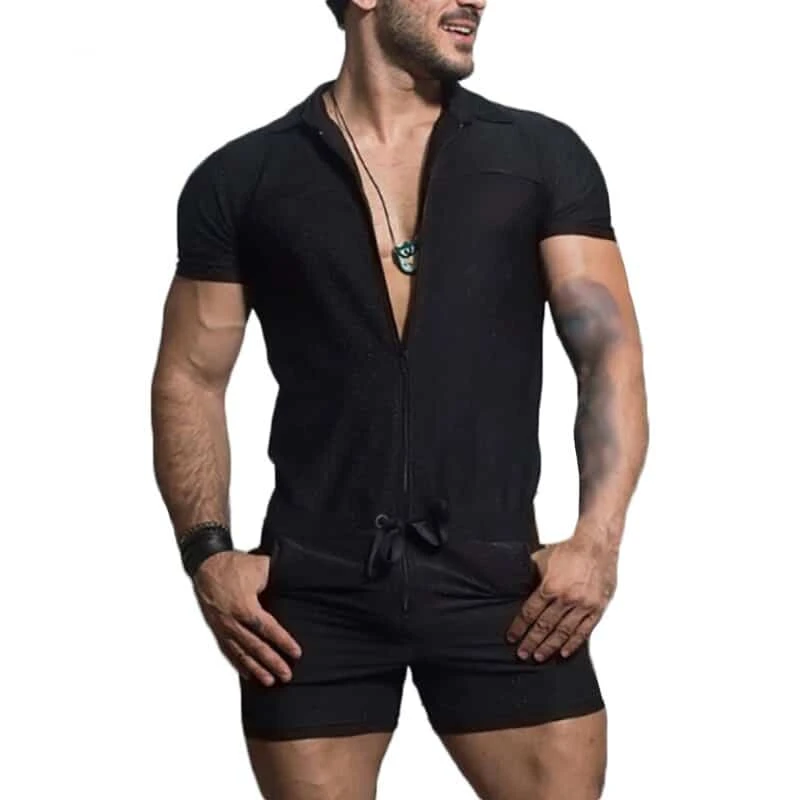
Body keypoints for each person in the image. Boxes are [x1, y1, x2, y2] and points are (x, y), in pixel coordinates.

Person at [150, 0, 649, 797]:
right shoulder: (244, 178)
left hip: (502, 583)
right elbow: (191, 376)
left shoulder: (538, 155)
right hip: (311, 598)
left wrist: (597, 540)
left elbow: (607, 352)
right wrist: (207, 552)